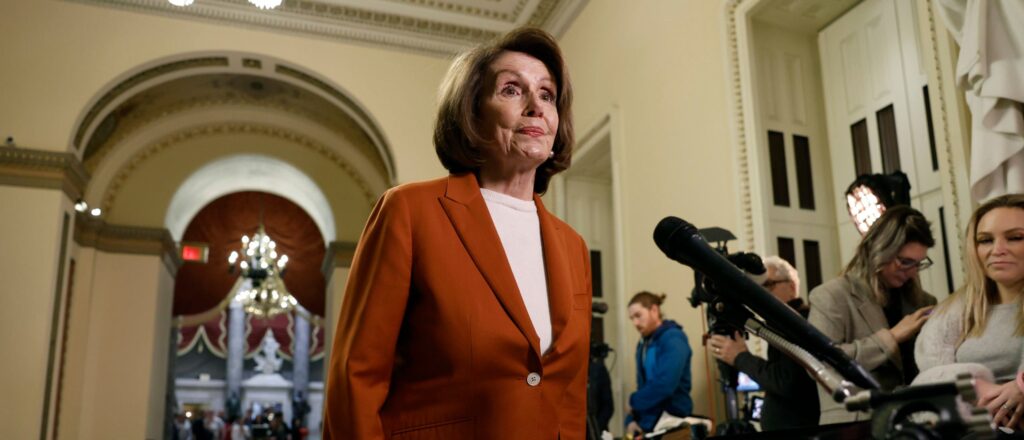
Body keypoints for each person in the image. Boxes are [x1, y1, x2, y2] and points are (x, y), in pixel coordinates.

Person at [321, 27, 592, 440]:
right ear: (472, 112)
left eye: (547, 94)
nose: (536, 106)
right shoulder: (411, 211)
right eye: (511, 90)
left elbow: (568, 399)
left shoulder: (572, 246)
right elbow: (356, 375)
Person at [808, 205, 937, 424]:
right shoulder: (831, 296)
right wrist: (892, 337)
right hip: (855, 425)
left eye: (919, 264)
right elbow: (821, 366)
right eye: (905, 262)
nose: (913, 272)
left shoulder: (924, 302)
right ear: (879, 250)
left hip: (912, 423)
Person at [915, 194, 1024, 430]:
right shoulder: (955, 310)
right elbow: (934, 374)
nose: (998, 250)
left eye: (1015, 238)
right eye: (985, 240)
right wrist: (982, 395)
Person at [708, 256, 820, 431]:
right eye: (756, 288)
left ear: (791, 287)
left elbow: (787, 381)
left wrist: (740, 357)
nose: (760, 294)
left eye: (767, 285)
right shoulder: (779, 323)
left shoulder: (797, 322)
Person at [625, 291, 692, 437]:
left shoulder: (673, 338)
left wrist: (633, 401)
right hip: (649, 424)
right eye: (631, 318)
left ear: (654, 310)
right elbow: (643, 387)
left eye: (638, 315)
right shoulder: (642, 344)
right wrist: (631, 420)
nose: (635, 323)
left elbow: (665, 385)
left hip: (672, 424)